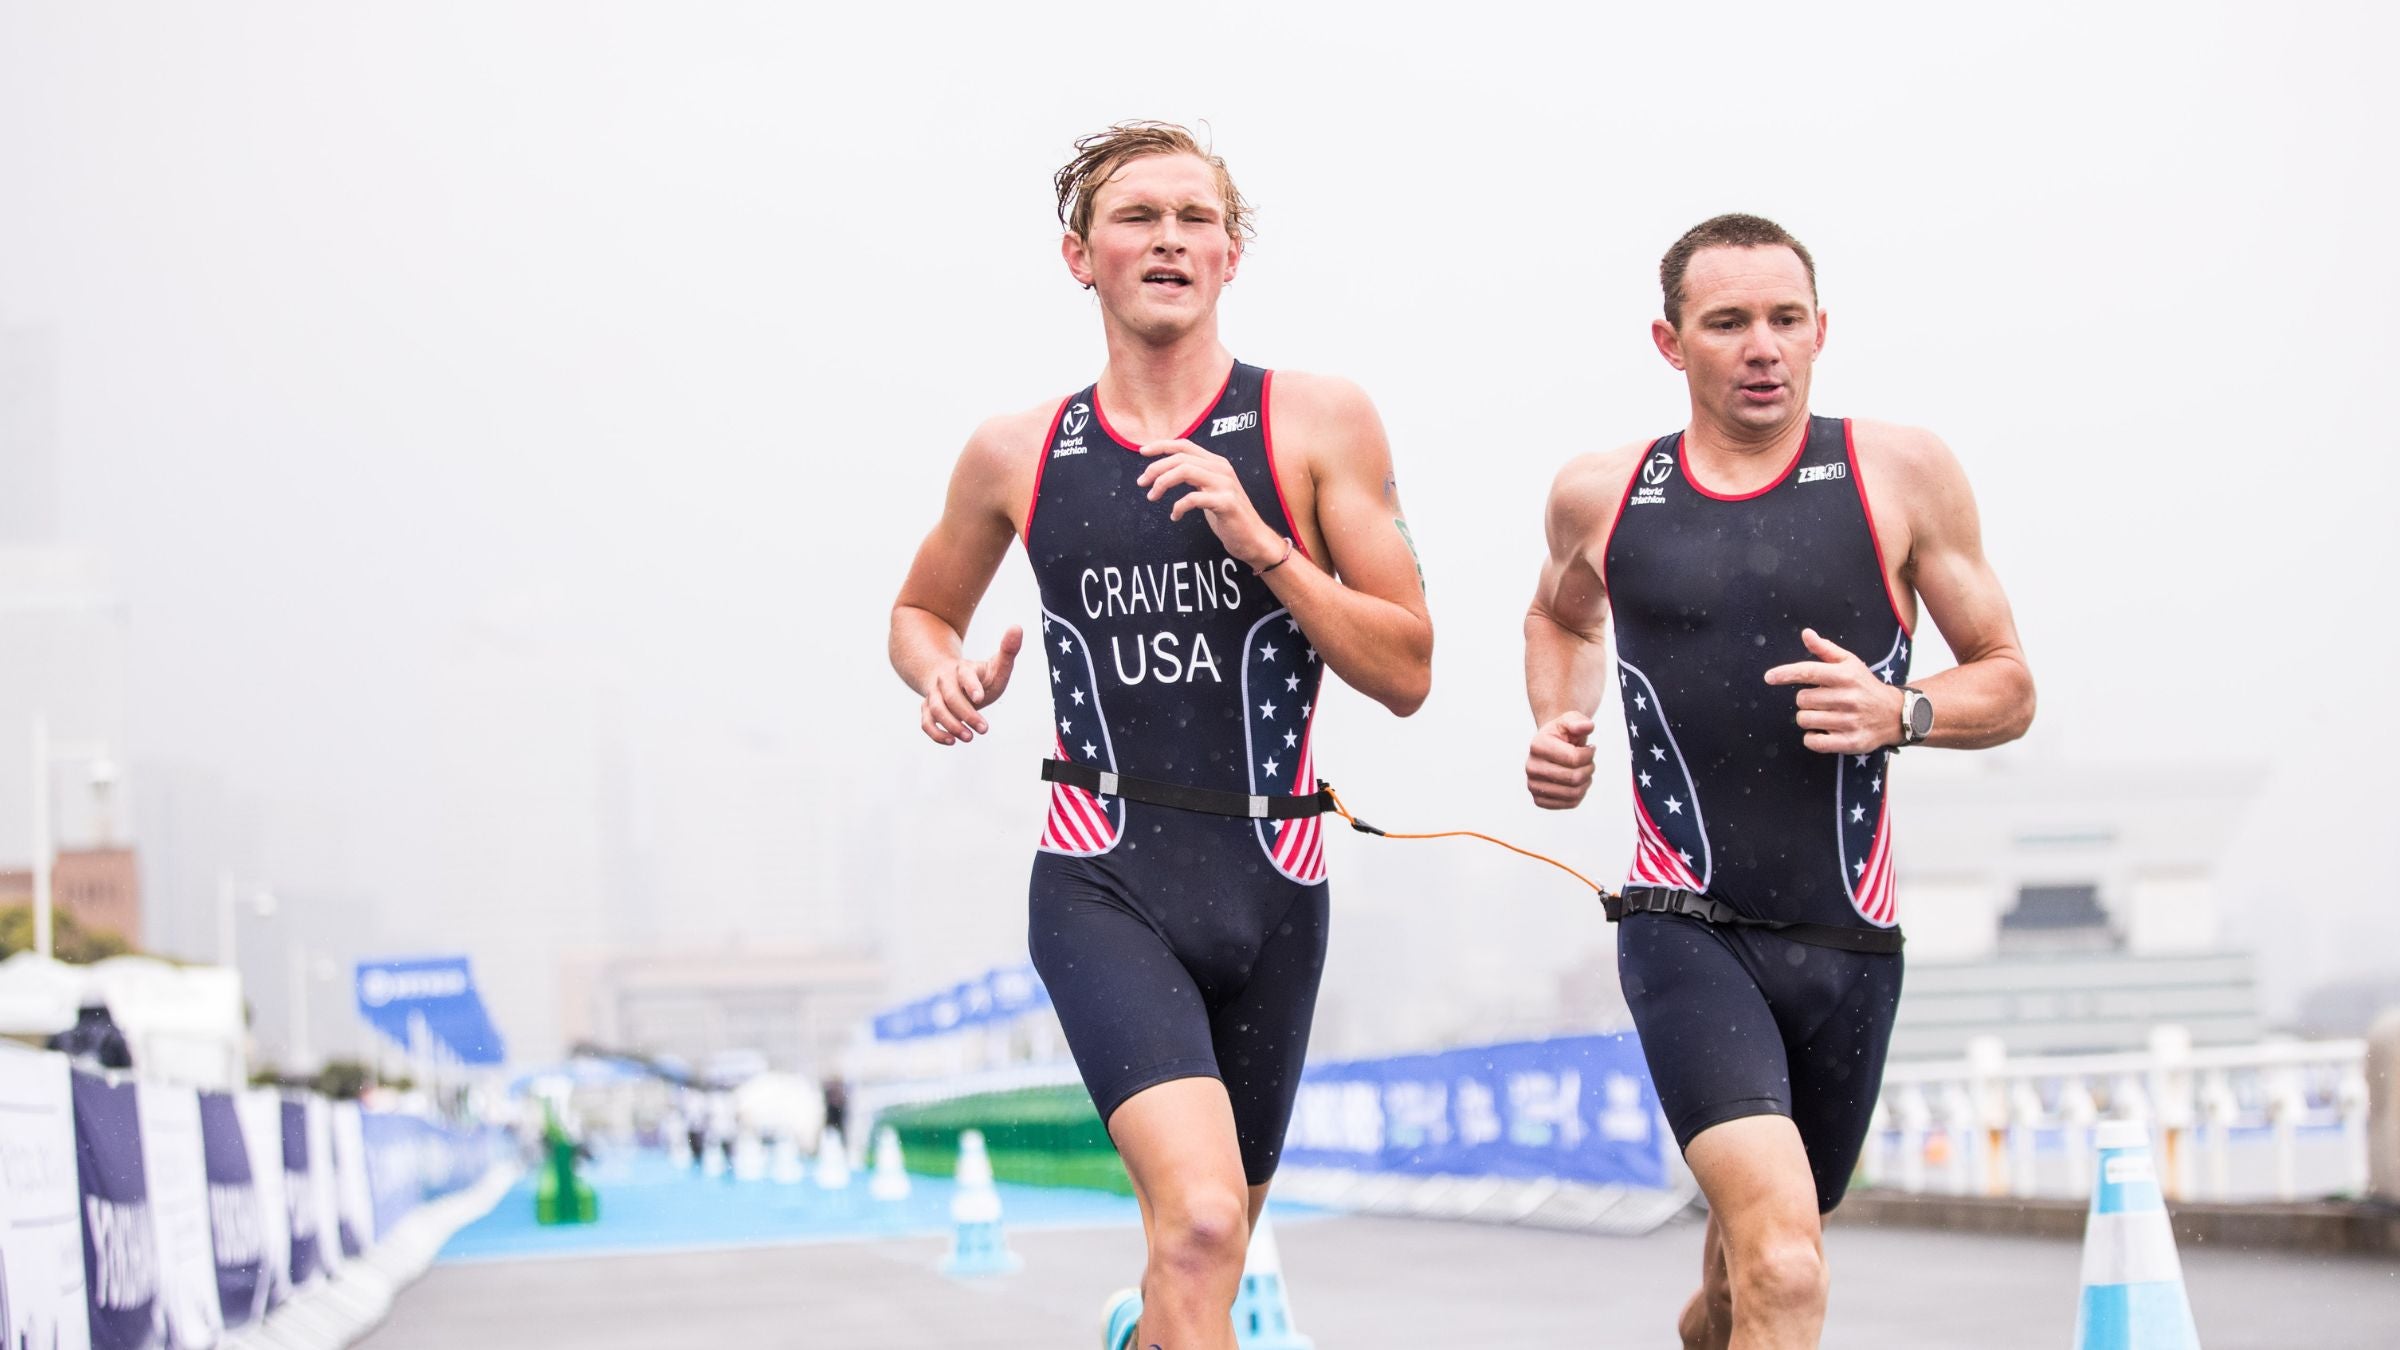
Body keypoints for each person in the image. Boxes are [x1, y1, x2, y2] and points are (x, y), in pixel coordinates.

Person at [889, 121, 1431, 1350]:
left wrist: (1268, 547)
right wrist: (942, 675)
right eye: (1139, 216)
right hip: (1103, 875)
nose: (1170, 238)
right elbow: (921, 611)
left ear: (1232, 256)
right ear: (1080, 256)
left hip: (1275, 883)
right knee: (1193, 1225)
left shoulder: (1317, 423)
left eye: (1197, 218)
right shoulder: (1017, 451)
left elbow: (1407, 669)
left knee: (1209, 1249)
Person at [1523, 214, 2035, 1349]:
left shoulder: (1899, 472)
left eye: (1785, 320)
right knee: (1791, 1268)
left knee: (1753, 1273)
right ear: (1671, 342)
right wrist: (1557, 719)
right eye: (1729, 323)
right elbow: (1559, 616)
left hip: (1848, 942)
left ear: (1820, 331)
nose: (1763, 346)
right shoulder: (1605, 493)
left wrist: (1903, 713)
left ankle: (1707, 1328)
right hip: (1683, 923)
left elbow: (2009, 684)